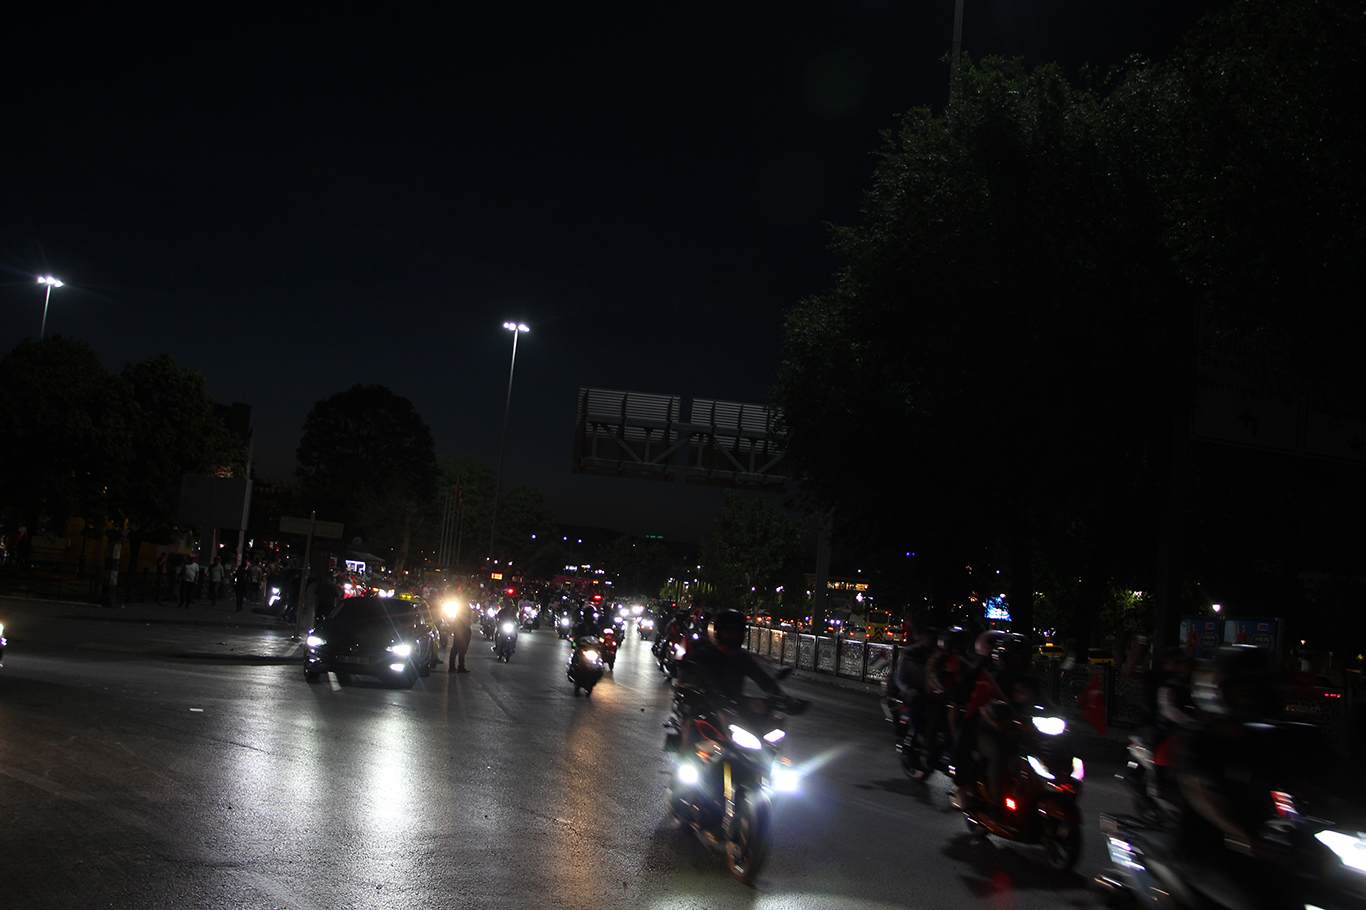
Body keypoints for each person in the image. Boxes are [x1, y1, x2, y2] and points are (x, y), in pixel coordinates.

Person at [447, 600, 473, 673]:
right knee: (459, 648)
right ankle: (457, 666)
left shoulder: (463, 607)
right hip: (461, 629)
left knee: (458, 648)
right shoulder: (464, 607)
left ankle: (456, 666)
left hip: (460, 629)